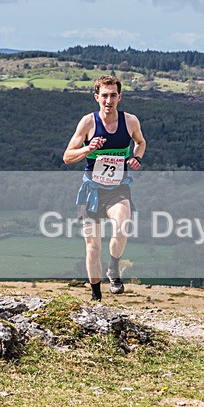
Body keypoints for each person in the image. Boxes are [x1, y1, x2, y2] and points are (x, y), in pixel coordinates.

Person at [63, 75, 146, 301]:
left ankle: (114, 267)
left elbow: (140, 142)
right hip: (91, 192)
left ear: (119, 97)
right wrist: (88, 149)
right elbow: (67, 156)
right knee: (93, 246)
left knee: (122, 227)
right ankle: (96, 295)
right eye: (104, 96)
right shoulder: (88, 123)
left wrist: (136, 158)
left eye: (113, 95)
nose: (109, 100)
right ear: (96, 97)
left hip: (118, 189)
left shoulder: (130, 121)